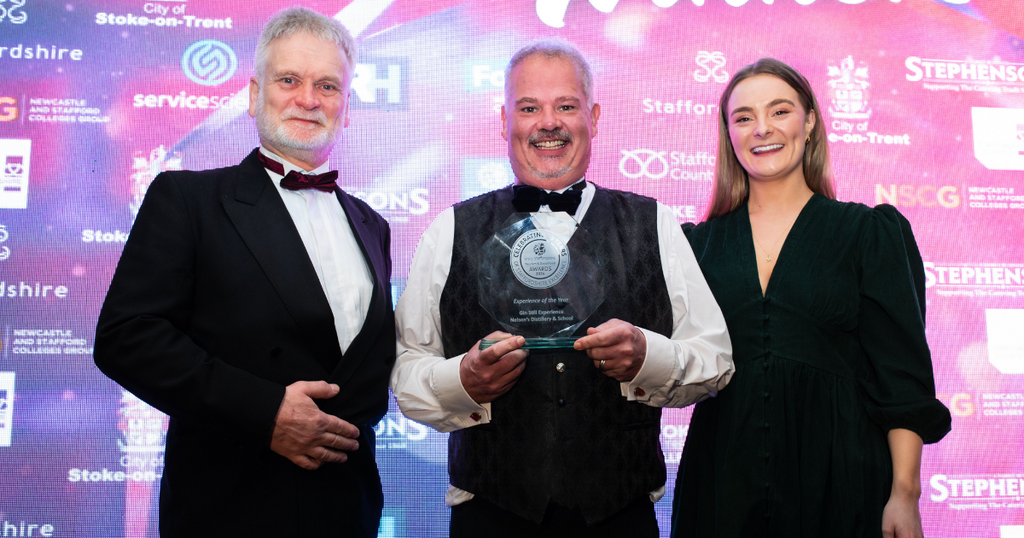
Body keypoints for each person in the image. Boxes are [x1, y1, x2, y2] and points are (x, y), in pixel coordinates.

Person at [391, 38, 734, 537]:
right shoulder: (450, 230)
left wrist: (647, 358)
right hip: (490, 515)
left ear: (593, 118)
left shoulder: (654, 223)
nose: (547, 122)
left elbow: (716, 360)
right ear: (503, 121)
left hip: (619, 516)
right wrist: (464, 381)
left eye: (566, 106)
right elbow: (407, 372)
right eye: (529, 107)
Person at [94, 8, 394, 537]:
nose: (308, 99)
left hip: (345, 514)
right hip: (228, 510)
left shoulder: (374, 226)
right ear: (255, 95)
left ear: (346, 108)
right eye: (289, 80)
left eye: (328, 85)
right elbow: (127, 337)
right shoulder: (187, 199)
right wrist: (267, 412)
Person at [671, 58, 952, 538]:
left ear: (810, 121)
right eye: (744, 117)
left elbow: (901, 381)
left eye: (780, 111)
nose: (762, 129)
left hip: (843, 486)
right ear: (728, 134)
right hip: (722, 486)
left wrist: (904, 494)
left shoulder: (869, 234)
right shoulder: (693, 247)